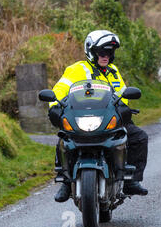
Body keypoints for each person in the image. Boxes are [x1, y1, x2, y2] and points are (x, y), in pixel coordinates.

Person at [50, 30, 149, 203]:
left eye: (110, 52)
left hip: (108, 119)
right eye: (102, 52)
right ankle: (66, 181)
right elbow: (58, 91)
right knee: (64, 138)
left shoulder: (113, 71)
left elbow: (122, 94)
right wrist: (54, 107)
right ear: (91, 51)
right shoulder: (77, 69)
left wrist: (125, 107)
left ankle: (130, 181)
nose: (106, 56)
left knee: (139, 137)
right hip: (81, 117)